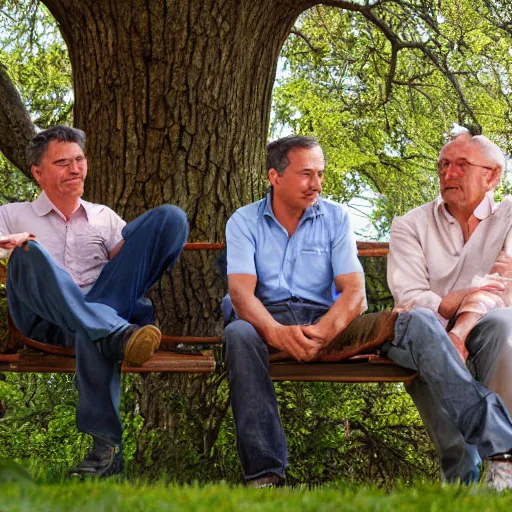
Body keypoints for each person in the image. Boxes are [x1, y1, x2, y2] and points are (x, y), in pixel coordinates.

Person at [0, 125, 189, 478]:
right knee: (29, 252)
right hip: (45, 322)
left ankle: (105, 453)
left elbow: (125, 271)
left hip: (99, 317)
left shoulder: (104, 217)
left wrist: (139, 250)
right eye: (62, 163)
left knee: (170, 217)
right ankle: (114, 331)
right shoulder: (11, 214)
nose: (75, 169)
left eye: (79, 160)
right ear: (37, 172)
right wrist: (10, 241)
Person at [224, 135, 367, 487]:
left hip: (322, 318)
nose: (316, 184)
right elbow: (241, 295)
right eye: (306, 174)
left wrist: (325, 331)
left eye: (320, 174)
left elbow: (354, 292)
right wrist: (274, 332)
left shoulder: (336, 217)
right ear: (275, 177)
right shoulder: (243, 221)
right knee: (238, 333)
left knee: (401, 326)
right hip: (265, 316)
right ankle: (265, 476)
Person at [387, 130, 512, 489]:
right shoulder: (410, 224)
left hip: (481, 327)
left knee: (505, 324)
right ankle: (498, 454)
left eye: (461, 165)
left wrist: (460, 329)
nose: (448, 173)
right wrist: (451, 304)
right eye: (443, 165)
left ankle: (491, 471)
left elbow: (502, 288)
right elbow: (409, 297)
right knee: (427, 331)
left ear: (492, 176)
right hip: (416, 332)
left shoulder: (509, 216)